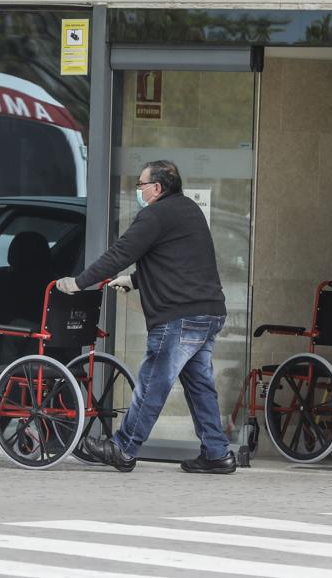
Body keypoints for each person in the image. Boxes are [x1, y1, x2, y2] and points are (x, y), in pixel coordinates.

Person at [56, 160, 234, 474]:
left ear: (157, 188)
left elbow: (120, 253)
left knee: (153, 383)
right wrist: (135, 280)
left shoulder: (154, 214)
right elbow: (179, 262)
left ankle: (123, 448)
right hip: (207, 313)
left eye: (141, 185)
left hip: (179, 317)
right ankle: (217, 453)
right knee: (200, 386)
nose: (137, 190)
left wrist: (79, 283)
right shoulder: (189, 210)